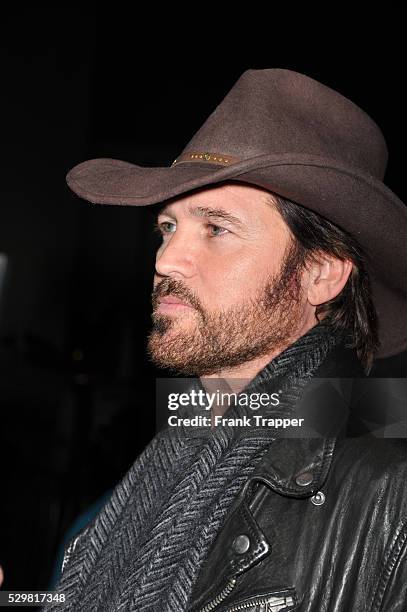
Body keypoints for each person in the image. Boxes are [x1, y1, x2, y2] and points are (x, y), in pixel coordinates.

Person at [44, 69, 407, 611]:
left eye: (216, 229)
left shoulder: (390, 492)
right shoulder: (146, 480)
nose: (165, 261)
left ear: (321, 274)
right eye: (167, 228)